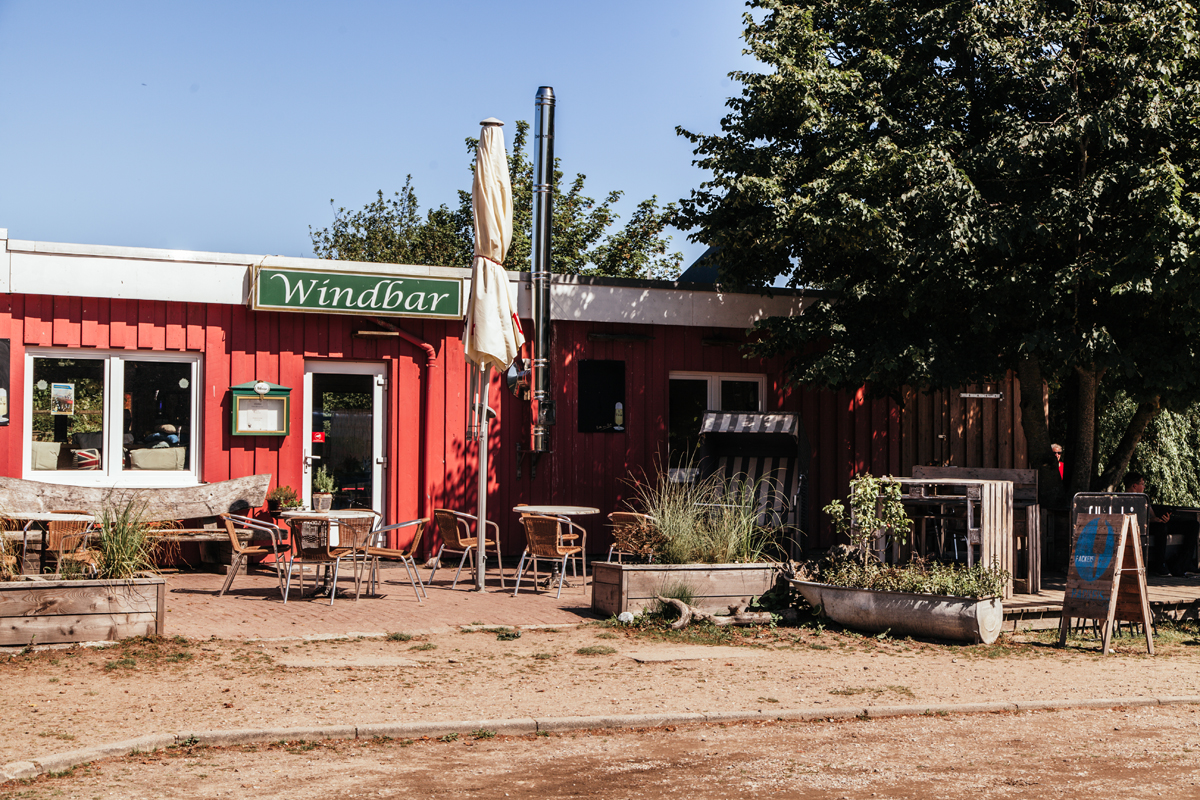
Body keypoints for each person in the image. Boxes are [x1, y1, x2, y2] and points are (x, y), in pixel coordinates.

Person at [1124, 472, 1172, 575]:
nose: (1144, 487)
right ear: (1134, 486)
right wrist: (1151, 520)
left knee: (1162, 527)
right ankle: (1160, 565)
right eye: (1142, 484)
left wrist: (1161, 519)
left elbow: (1152, 515)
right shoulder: (1123, 500)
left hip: (1148, 525)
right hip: (1136, 527)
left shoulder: (1144, 499)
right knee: (1160, 529)